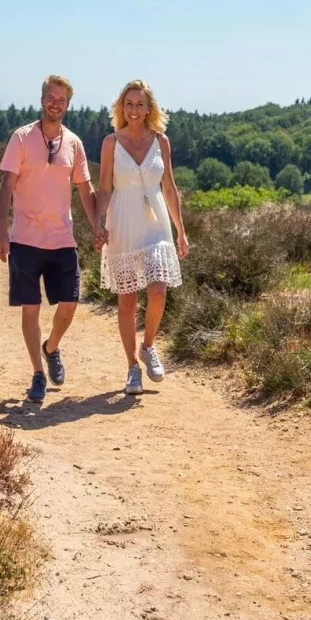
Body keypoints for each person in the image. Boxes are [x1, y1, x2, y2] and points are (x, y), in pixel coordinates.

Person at [0, 74, 98, 404]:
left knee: (69, 305)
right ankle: (38, 374)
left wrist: (98, 225)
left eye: (62, 99)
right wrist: (1, 230)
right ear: (42, 100)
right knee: (31, 309)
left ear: (68, 104)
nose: (56, 103)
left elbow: (85, 188)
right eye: (51, 97)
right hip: (25, 238)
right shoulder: (21, 138)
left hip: (62, 239)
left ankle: (51, 347)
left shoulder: (75, 143)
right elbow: (6, 187)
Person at [94, 79, 189, 396]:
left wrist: (181, 231)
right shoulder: (111, 143)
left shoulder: (161, 141)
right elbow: (105, 187)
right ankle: (132, 368)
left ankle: (148, 346)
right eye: (129, 104)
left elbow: (170, 188)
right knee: (128, 299)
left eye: (140, 104)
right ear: (121, 107)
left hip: (156, 223)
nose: (134, 110)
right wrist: (98, 223)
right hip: (122, 221)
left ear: (150, 109)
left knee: (159, 290)